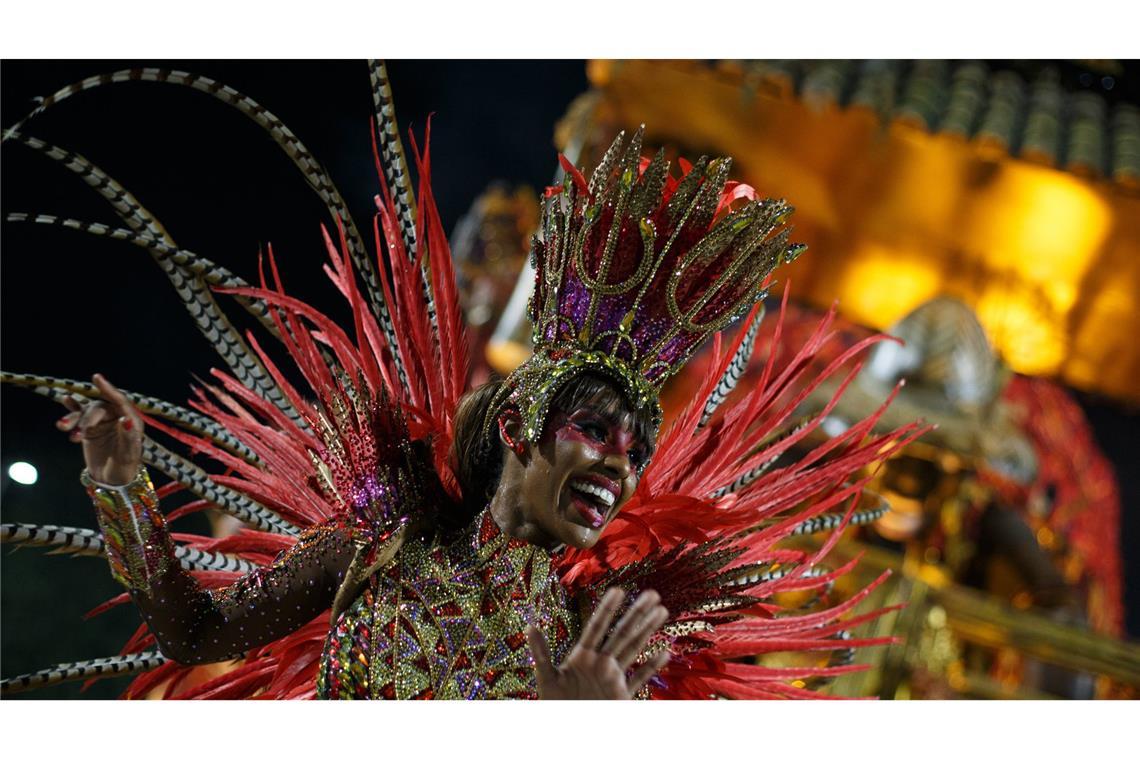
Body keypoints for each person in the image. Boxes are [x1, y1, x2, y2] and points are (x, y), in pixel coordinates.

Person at [2, 64, 921, 699]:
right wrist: (121, 485)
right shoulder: (378, 548)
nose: (622, 465)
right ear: (521, 419)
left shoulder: (594, 644)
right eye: (600, 429)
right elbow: (194, 637)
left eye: (637, 449)